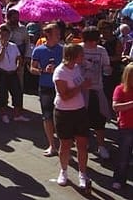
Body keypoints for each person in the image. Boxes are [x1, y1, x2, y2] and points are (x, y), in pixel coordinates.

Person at [52, 44, 92, 188]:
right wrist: (82, 86)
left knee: (82, 144)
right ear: (73, 56)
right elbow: (65, 96)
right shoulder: (60, 72)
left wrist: (85, 84)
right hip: (64, 112)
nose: (83, 57)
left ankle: (82, 174)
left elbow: (78, 85)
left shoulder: (76, 68)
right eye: (81, 55)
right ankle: (63, 171)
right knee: (66, 145)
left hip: (79, 111)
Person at [31, 23, 63, 157]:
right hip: (45, 87)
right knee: (47, 116)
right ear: (48, 35)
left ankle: (63, 145)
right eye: (56, 33)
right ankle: (52, 145)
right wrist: (43, 70)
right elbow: (32, 69)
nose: (59, 36)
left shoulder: (63, 49)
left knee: (61, 117)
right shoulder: (38, 50)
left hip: (61, 87)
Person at [80, 26, 112, 160]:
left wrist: (108, 70)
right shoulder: (79, 49)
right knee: (82, 120)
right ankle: (84, 143)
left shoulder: (101, 50)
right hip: (81, 91)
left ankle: (101, 146)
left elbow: (107, 67)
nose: (93, 43)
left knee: (100, 120)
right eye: (91, 40)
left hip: (97, 89)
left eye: (95, 40)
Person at [0, 24, 30, 123]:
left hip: (12, 73)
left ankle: (17, 114)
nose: (5, 37)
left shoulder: (13, 46)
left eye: (7, 35)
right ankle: (4, 114)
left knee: (17, 93)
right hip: (2, 73)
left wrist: (18, 65)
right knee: (2, 94)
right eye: (3, 35)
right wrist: (3, 47)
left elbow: (18, 57)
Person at [111, 63, 133, 190]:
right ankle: (118, 179)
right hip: (126, 127)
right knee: (123, 156)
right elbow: (116, 106)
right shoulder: (120, 89)